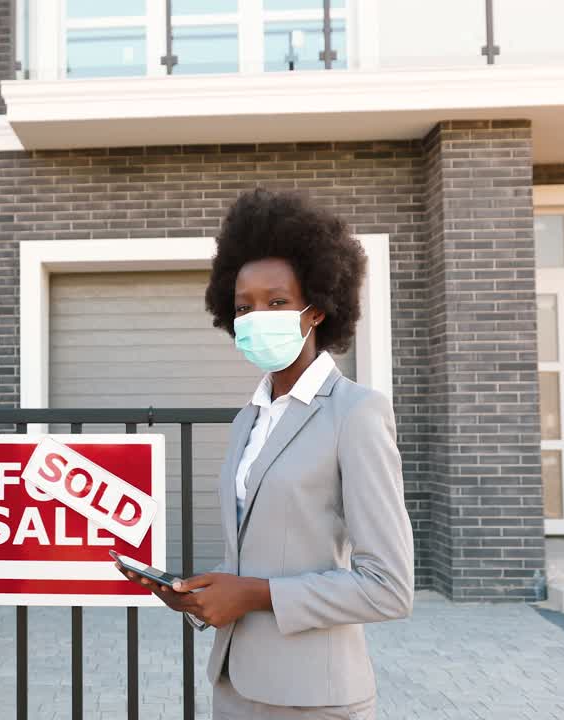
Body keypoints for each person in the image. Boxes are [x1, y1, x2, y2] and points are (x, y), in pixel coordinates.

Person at [125, 189, 414, 719]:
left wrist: (255, 595)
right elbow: (258, 556)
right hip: (235, 685)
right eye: (243, 307)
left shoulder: (357, 413)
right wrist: (198, 592)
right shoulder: (248, 419)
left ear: (318, 309)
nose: (256, 317)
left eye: (276, 302)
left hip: (314, 699)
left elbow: (389, 588)